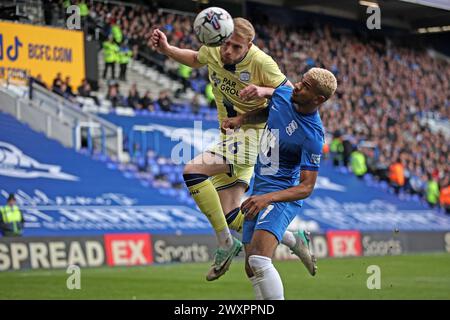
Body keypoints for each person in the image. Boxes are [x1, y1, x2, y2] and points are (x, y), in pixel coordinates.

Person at [151, 17, 315, 281]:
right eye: (227, 45)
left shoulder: (262, 62)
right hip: (229, 136)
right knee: (231, 214)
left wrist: (263, 90)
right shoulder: (214, 49)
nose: (229, 51)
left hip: (254, 137)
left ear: (249, 45)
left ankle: (226, 245)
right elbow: (195, 58)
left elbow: (290, 96)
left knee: (193, 171)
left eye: (237, 48)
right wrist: (168, 50)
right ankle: (293, 239)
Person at [222, 67, 337, 300]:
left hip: (281, 194)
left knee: (258, 260)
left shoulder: (313, 136)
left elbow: (306, 187)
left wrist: (267, 198)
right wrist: (241, 119)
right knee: (250, 268)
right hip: (261, 187)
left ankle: (293, 239)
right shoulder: (285, 94)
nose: (297, 86)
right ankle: (295, 239)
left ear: (318, 99)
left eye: (305, 87)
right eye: (300, 80)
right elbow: (268, 111)